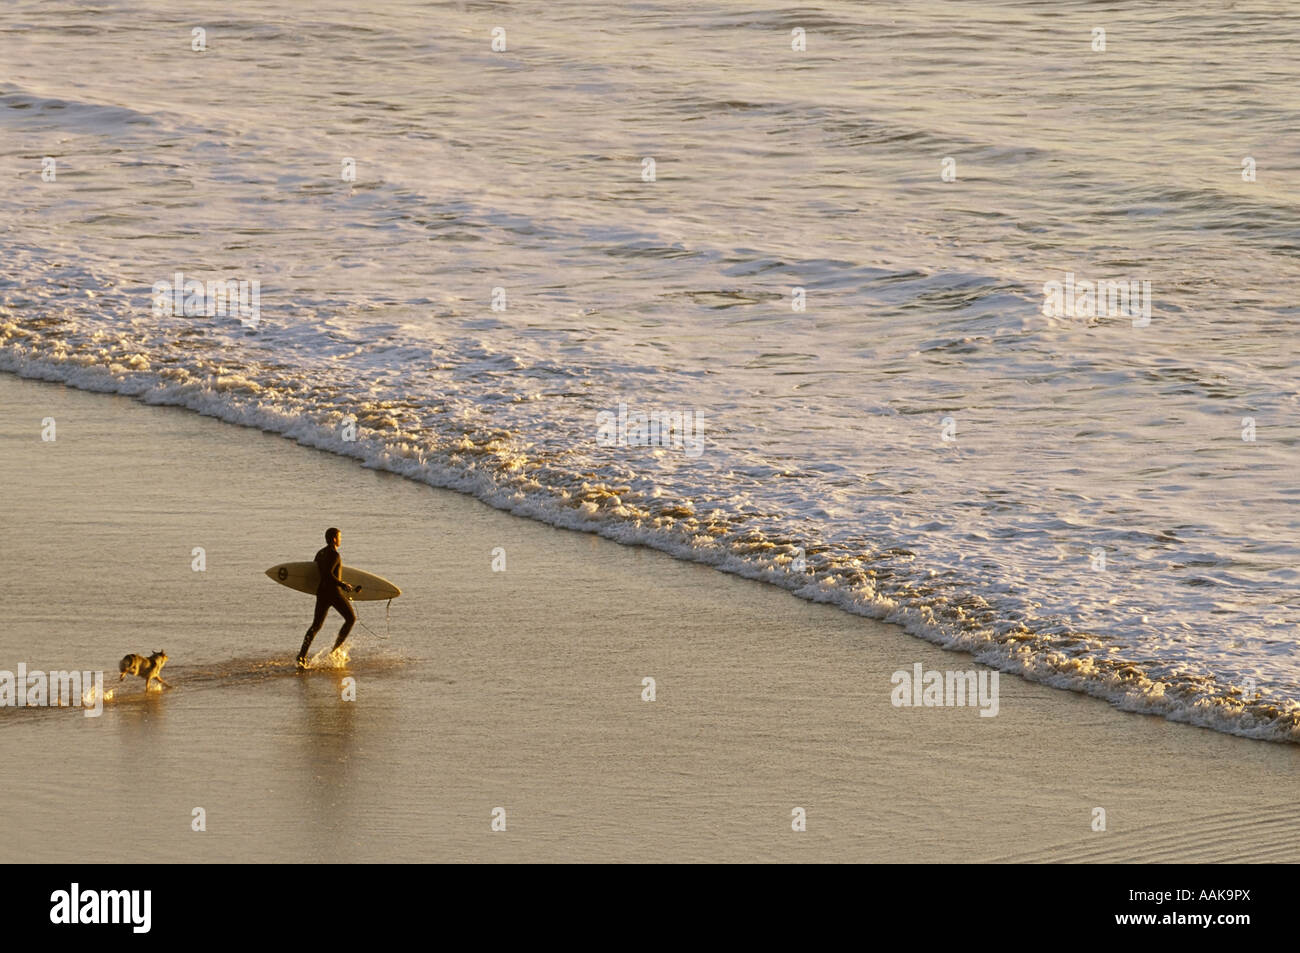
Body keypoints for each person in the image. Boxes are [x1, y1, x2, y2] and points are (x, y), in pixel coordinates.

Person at [297, 527, 358, 669]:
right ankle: (335, 650)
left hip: (322, 593)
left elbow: (314, 572)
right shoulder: (334, 555)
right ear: (334, 539)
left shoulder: (320, 553)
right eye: (340, 537)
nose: (341, 539)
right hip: (333, 593)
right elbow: (328, 574)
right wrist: (342, 584)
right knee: (351, 618)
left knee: (316, 625)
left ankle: (302, 655)